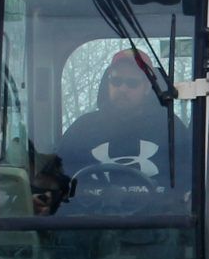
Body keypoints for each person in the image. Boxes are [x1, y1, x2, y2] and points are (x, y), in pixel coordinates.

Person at [55, 48, 186, 195]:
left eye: (132, 83)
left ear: (148, 87)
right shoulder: (82, 130)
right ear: (108, 83)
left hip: (160, 217)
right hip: (91, 215)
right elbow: (56, 178)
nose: (123, 89)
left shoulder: (171, 128)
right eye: (116, 81)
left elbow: (187, 185)